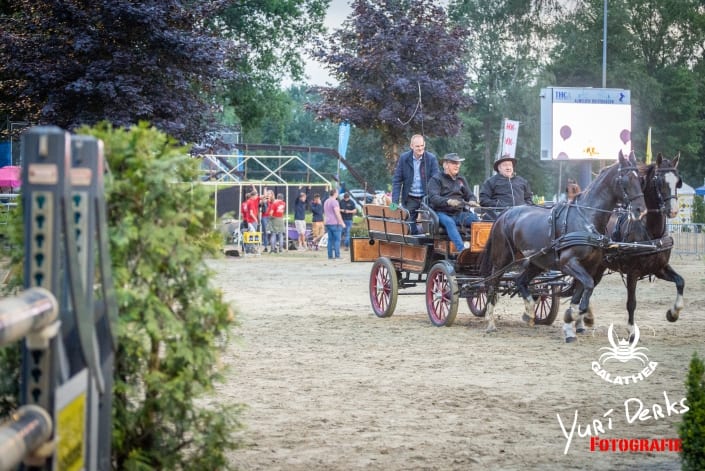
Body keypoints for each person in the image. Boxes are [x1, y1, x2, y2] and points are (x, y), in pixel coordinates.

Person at [427, 153, 480, 252]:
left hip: (459, 213)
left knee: (476, 220)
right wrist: (448, 201)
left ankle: (479, 248)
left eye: (458, 163)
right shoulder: (436, 179)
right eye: (454, 163)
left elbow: (469, 195)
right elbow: (434, 198)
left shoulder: (461, 179)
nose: (457, 165)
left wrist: (472, 200)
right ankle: (462, 251)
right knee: (450, 223)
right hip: (441, 213)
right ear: (445, 165)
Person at [391, 134, 440, 234]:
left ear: (425, 145)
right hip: (411, 198)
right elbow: (397, 180)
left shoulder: (431, 159)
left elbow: (437, 180)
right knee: (408, 226)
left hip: (426, 198)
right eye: (417, 146)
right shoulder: (404, 158)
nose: (420, 148)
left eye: (422, 145)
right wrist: (394, 202)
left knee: (432, 224)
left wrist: (435, 197)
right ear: (411, 146)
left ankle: (428, 246)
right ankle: (415, 245)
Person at [479, 153, 533, 220]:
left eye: (510, 165)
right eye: (505, 165)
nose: (508, 168)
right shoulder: (491, 182)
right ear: (499, 168)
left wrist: (524, 207)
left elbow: (529, 199)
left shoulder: (522, 181)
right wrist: (499, 205)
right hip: (499, 216)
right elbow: (483, 200)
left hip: (521, 216)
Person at [323, 188, 345, 260]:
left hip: (328, 222)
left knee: (330, 240)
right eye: (337, 192)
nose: (338, 193)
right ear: (335, 193)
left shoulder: (326, 201)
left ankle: (330, 256)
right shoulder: (335, 202)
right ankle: (337, 255)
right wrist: (342, 222)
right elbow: (337, 213)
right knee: (337, 240)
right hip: (335, 223)